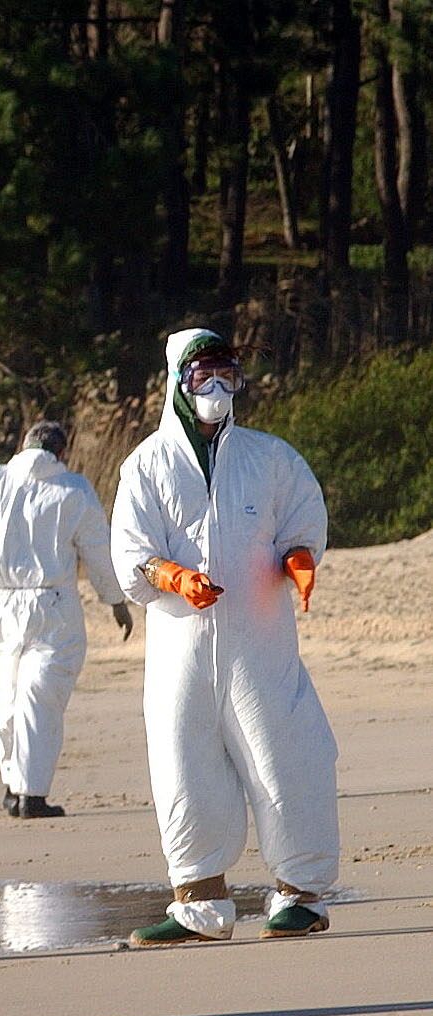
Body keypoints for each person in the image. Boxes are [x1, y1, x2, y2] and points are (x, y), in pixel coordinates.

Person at [111, 328, 337, 946]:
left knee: (287, 756)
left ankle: (301, 894)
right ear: (178, 383)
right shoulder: (146, 465)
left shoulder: (271, 458)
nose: (216, 388)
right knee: (183, 761)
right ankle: (199, 904)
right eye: (202, 375)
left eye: (226, 375)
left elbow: (301, 520)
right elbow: (131, 553)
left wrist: (299, 560)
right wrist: (171, 575)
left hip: (260, 642)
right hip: (182, 644)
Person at [0, 421, 132, 818]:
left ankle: (12, 786)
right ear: (61, 452)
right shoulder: (74, 489)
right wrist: (115, 600)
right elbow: (98, 550)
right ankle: (31, 794)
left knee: (9, 695)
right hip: (52, 602)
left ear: (23, 444)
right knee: (42, 695)